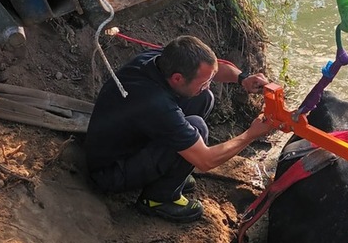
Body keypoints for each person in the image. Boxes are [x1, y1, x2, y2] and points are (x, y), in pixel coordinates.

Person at [85, 35, 273, 223]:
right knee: (198, 128)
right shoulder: (156, 104)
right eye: (203, 82)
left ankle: (171, 173)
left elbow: (211, 71)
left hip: (127, 138)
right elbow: (206, 161)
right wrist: (251, 134)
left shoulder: (165, 60)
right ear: (177, 78)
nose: (209, 84)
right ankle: (157, 199)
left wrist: (243, 79)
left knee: (203, 97)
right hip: (111, 172)